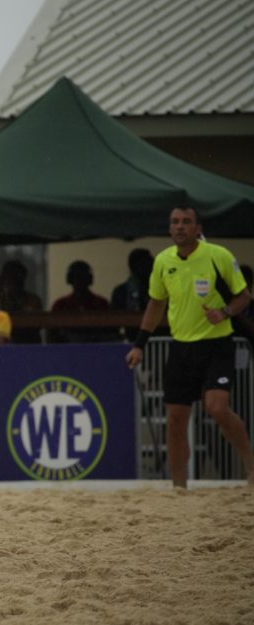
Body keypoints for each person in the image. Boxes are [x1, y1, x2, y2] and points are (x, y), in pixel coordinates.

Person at [125, 206, 253, 488]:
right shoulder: (163, 261)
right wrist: (140, 345)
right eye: (175, 222)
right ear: (169, 229)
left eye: (186, 222)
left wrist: (225, 312)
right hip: (181, 347)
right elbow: (156, 304)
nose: (180, 226)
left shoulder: (218, 256)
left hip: (216, 344)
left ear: (198, 228)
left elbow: (244, 296)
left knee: (217, 408)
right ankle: (179, 487)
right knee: (175, 419)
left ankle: (250, 465)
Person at [50, 260, 117, 343]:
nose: (80, 281)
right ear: (70, 279)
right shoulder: (60, 305)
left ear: (89, 279)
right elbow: (52, 334)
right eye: (77, 277)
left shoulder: (101, 303)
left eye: (83, 277)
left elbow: (110, 332)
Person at [0, 260, 43, 344]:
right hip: (5, 345)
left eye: (17, 279)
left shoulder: (33, 300)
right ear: (4, 280)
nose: (14, 283)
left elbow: (36, 325)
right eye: (10, 278)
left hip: (30, 344)